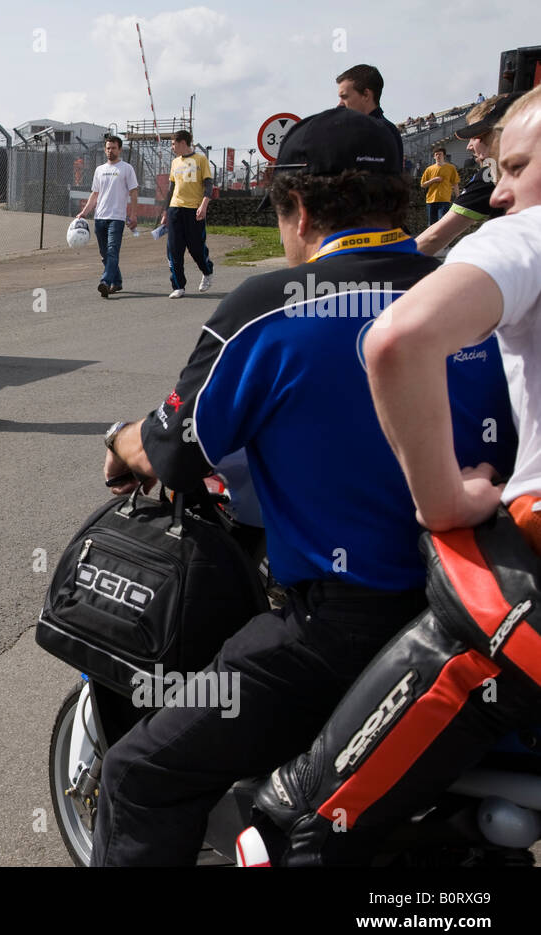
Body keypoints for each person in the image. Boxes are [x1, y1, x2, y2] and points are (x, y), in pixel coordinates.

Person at [89, 107, 515, 866]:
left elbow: (177, 455)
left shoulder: (268, 309)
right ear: (407, 199)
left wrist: (123, 440)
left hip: (339, 634)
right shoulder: (482, 298)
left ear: (298, 209)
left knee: (139, 775)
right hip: (488, 618)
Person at [241, 87, 541, 867]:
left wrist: (443, 503)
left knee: (292, 830)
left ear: (298, 212)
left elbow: (398, 340)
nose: (499, 190)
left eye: (515, 165)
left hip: (517, 616)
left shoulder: (527, 237)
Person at [417, 92, 520, 255]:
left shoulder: (492, 172)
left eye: (477, 136)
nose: (469, 146)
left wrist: (389, 266)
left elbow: (434, 236)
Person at [75, 135, 140, 297]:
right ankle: (117, 282)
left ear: (119, 149)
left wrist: (133, 214)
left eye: (114, 148)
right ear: (105, 150)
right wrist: (84, 212)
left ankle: (105, 281)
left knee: (112, 251)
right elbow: (95, 194)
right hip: (100, 217)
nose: (110, 151)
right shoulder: (100, 170)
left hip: (117, 218)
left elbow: (133, 192)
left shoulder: (126, 168)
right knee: (105, 254)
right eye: (108, 148)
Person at [159, 130, 213, 299]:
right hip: (175, 208)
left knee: (196, 248)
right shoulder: (175, 163)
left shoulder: (201, 160)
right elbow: (171, 189)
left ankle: (207, 271)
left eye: (174, 144)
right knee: (174, 249)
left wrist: (204, 205)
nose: (172, 147)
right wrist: (165, 211)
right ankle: (178, 286)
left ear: (183, 143)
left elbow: (209, 185)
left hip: (194, 210)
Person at [336, 63, 404, 167]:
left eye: (344, 97)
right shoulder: (359, 129)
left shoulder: (380, 131)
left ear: (366, 95)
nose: (339, 104)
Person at [420, 147, 460, 224]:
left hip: (444, 200)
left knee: (442, 223)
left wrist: (458, 197)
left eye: (440, 154)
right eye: (436, 154)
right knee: (431, 224)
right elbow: (423, 185)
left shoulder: (451, 168)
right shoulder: (429, 169)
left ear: (444, 155)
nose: (438, 156)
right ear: (434, 156)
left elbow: (455, 183)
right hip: (431, 200)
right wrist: (433, 180)